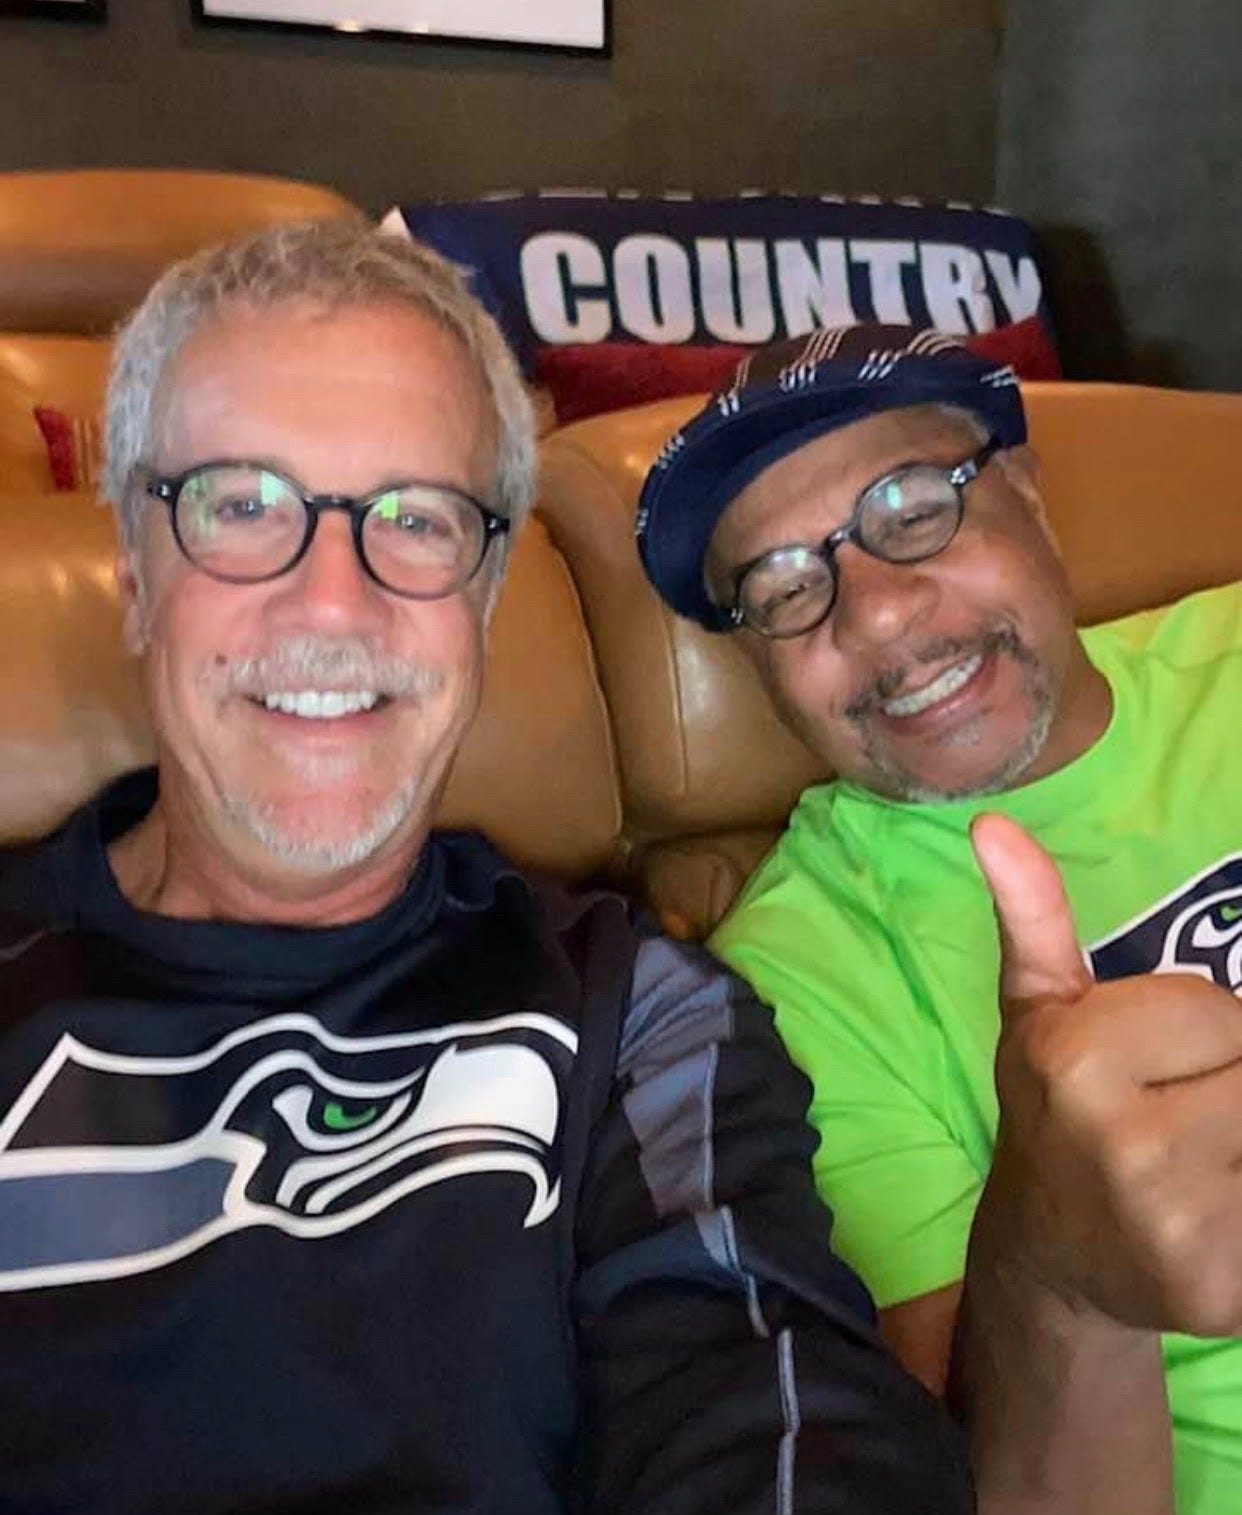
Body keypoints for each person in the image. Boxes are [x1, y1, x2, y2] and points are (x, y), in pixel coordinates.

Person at [0, 230, 970, 1515]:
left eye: (416, 520)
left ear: (487, 592)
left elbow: (774, 1403)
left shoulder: (636, 1014)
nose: (333, 604)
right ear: (133, 571)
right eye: (243, 507)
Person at [636, 322, 1242, 1515]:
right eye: (783, 588)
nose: (873, 617)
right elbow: (989, 1483)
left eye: (912, 508)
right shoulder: (788, 982)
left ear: (1027, 495)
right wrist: (1056, 1253)